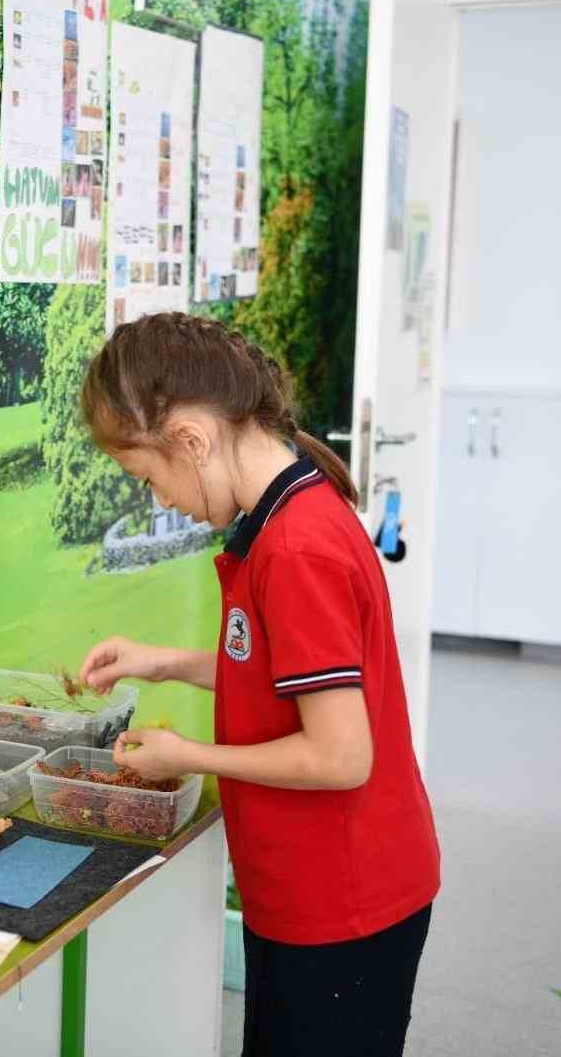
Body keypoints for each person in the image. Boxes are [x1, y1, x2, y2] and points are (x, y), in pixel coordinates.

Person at [76, 312, 440, 1057]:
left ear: (192, 440)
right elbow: (281, 678)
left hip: (346, 903)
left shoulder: (296, 548)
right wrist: (163, 660)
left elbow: (342, 757)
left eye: (148, 478)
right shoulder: (284, 513)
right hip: (317, 894)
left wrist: (190, 756)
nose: (161, 501)